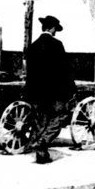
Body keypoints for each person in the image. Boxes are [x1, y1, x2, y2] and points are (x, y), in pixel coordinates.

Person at [26, 15, 77, 164]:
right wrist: (72, 89)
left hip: (35, 92)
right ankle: (44, 141)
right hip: (54, 91)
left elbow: (29, 71)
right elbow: (65, 70)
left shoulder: (33, 46)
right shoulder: (57, 45)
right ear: (52, 28)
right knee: (59, 117)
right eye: (55, 29)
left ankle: (41, 153)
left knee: (40, 120)